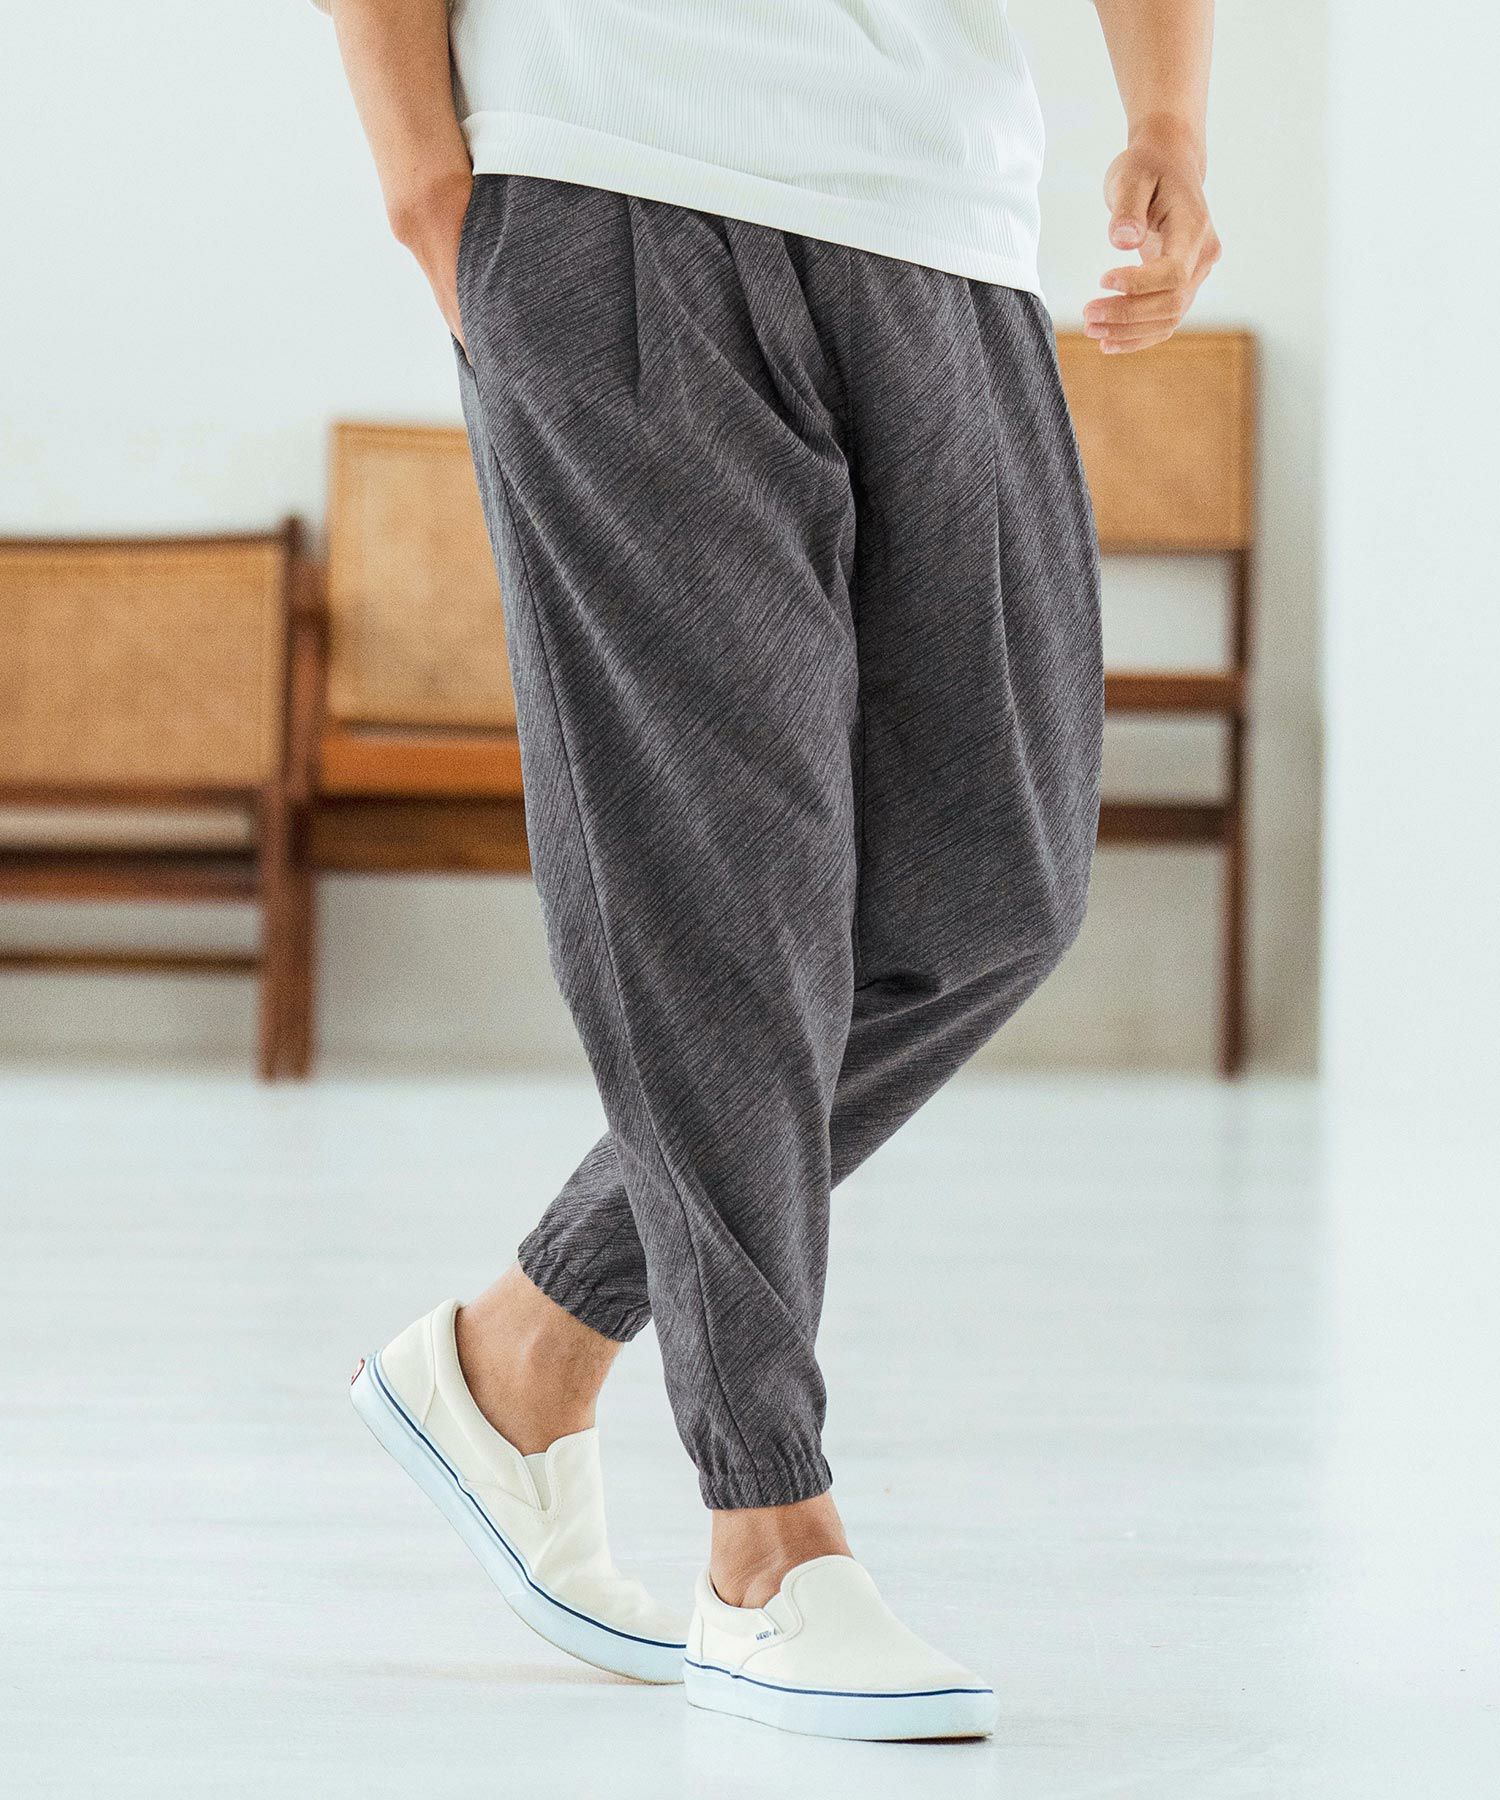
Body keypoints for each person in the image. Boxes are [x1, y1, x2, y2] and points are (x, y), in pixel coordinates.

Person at [323, 0, 1219, 1742]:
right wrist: (428, 182)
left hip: (950, 222)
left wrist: (1169, 118)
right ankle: (767, 1538)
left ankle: (523, 1355)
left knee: (999, 893)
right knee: (723, 902)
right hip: (619, 174)